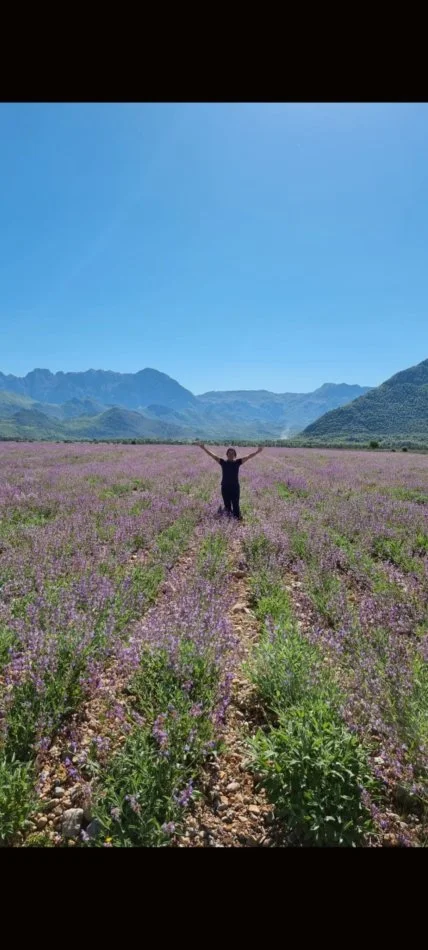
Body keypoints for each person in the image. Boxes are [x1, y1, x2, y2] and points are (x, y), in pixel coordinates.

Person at [196, 442, 263, 520]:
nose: (231, 455)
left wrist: (258, 451)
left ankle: (238, 520)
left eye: (232, 453)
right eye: (229, 453)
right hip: (225, 487)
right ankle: (228, 521)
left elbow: (248, 457)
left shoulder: (237, 462)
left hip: (235, 488)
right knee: (227, 506)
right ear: (226, 454)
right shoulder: (223, 462)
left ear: (235, 455)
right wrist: (204, 448)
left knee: (236, 505)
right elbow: (213, 456)